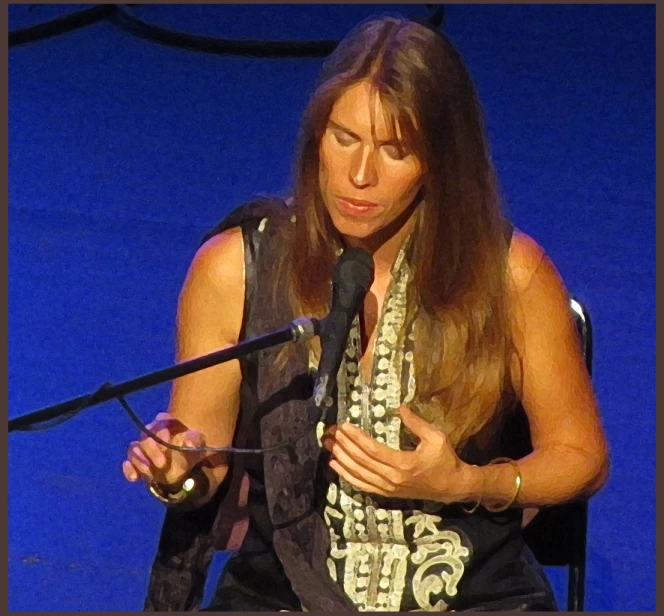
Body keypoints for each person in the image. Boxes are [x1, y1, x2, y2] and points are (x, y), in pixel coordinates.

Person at [123, 15, 609, 612]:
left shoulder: (511, 275)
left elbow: (581, 459)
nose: (360, 176)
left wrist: (468, 483)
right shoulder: (235, 268)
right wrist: (179, 470)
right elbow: (203, 470)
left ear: (438, 161)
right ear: (315, 139)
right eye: (344, 138)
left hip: (474, 595)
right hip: (283, 594)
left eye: (395, 150)